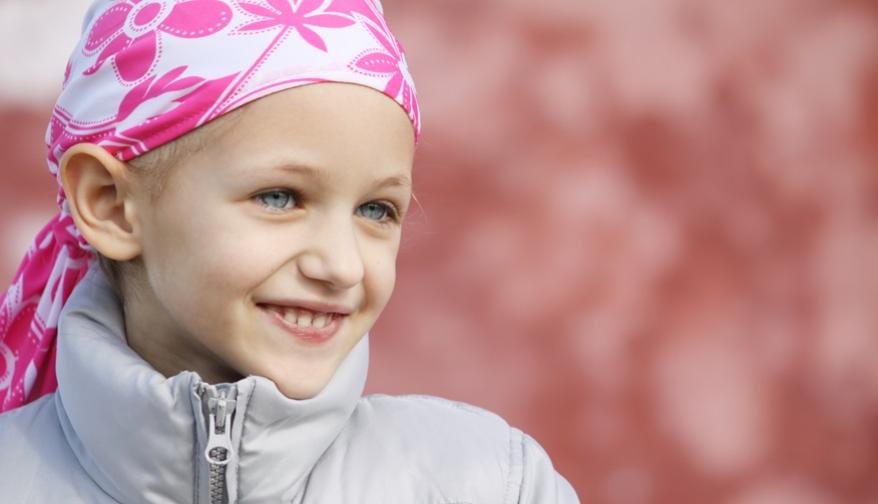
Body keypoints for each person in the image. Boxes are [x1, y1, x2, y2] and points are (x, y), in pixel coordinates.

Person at [0, 0, 580, 502]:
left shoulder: (492, 484)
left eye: (376, 210)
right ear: (109, 203)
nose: (342, 267)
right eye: (279, 198)